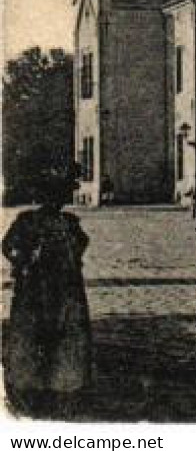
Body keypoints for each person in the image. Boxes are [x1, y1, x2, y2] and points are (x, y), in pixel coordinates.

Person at [2, 172, 92, 415]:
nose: (59, 201)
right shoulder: (27, 220)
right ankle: (30, 387)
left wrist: (71, 258)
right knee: (33, 335)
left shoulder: (69, 223)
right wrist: (24, 260)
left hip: (64, 289)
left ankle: (62, 386)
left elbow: (82, 243)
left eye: (62, 196)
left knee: (64, 337)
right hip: (35, 289)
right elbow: (8, 246)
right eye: (55, 196)